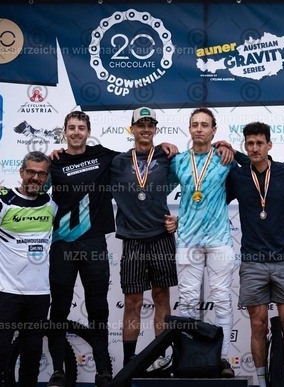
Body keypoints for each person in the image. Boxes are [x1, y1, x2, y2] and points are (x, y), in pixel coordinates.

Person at [47, 110, 178, 386]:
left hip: (99, 243)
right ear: (65, 131)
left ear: (88, 131)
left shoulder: (107, 157)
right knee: (60, 308)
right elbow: (32, 187)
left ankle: (109, 370)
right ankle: (60, 370)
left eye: (81, 128)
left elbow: (147, 160)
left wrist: (167, 147)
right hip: (66, 244)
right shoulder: (56, 162)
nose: (76, 132)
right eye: (71, 128)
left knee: (101, 309)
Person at [226, 122, 284, 387]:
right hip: (253, 261)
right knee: (258, 325)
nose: (255, 148)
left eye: (260, 143)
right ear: (245, 146)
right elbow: (213, 202)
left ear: (269, 145)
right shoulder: (237, 176)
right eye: (250, 143)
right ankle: (261, 383)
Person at [0, 151, 54, 387]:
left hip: (39, 294)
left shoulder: (51, 203)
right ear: (21, 172)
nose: (35, 178)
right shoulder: (1, 200)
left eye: (41, 174)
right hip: (5, 293)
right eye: (31, 172)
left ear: (46, 177)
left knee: (32, 357)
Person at [168, 107, 236, 378]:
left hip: (219, 239)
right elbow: (154, 187)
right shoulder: (178, 161)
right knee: (187, 302)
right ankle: (190, 359)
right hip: (188, 239)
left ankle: (223, 358)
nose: (199, 129)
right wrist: (167, 218)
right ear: (189, 128)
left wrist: (231, 148)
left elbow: (253, 172)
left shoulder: (224, 158)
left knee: (222, 300)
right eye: (195, 124)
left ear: (213, 130)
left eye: (204, 125)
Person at [109, 107, 178, 371]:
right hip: (133, 240)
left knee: (161, 298)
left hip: (161, 236)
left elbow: (195, 185)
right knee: (132, 302)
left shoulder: (167, 156)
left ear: (155, 129)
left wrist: (179, 220)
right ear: (132, 129)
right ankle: (129, 363)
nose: (146, 129)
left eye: (150, 125)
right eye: (141, 124)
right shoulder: (117, 162)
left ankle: (162, 358)